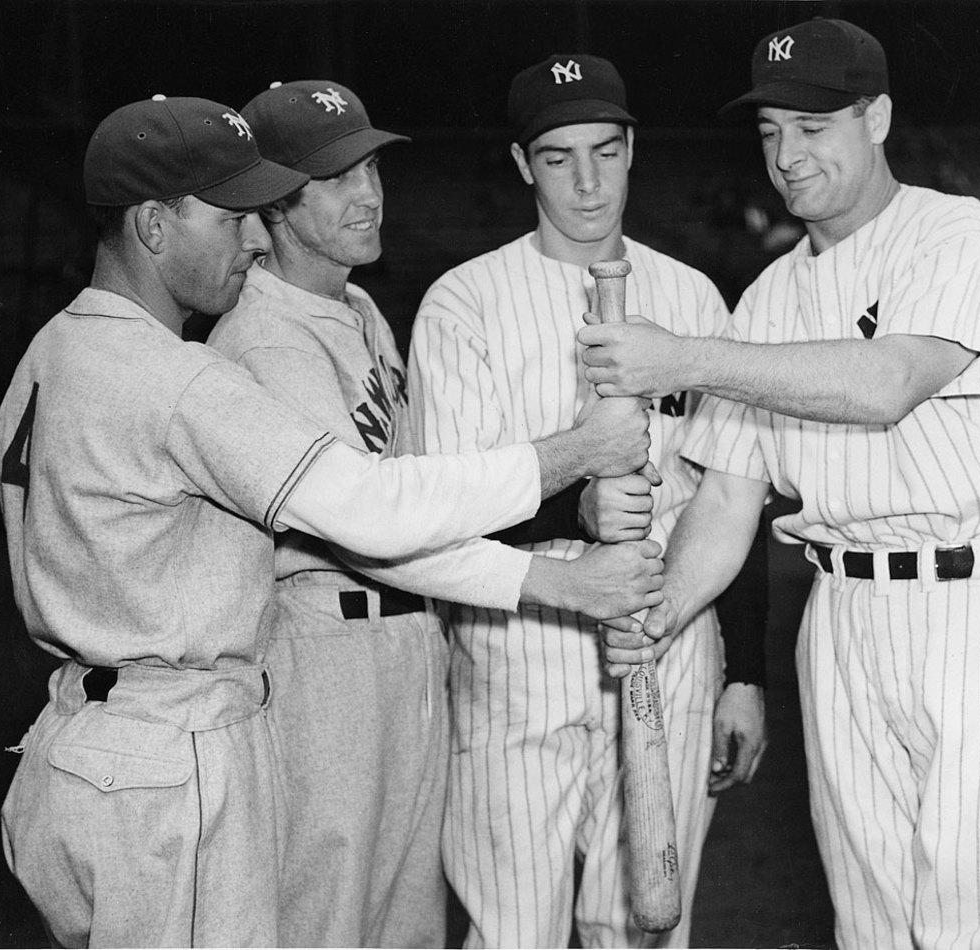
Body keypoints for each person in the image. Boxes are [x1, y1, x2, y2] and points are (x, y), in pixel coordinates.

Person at [0, 94, 660, 949]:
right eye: (232, 218)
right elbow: (366, 510)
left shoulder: (52, 351)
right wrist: (575, 457)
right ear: (154, 226)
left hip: (91, 734)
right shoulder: (181, 378)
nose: (254, 238)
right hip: (171, 741)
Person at [581, 18, 980, 950]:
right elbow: (728, 500)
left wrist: (685, 357)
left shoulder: (964, 238)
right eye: (772, 131)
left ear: (880, 118)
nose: (788, 155)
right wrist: (657, 613)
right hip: (845, 620)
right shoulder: (771, 298)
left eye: (815, 127)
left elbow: (885, 383)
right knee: (870, 929)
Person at [206, 79, 664, 948]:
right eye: (334, 179)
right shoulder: (265, 338)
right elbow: (375, 528)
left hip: (405, 645)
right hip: (323, 653)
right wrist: (565, 574)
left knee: (407, 925)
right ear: (271, 199)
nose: (369, 194)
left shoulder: (355, 307)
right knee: (328, 917)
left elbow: (427, 501)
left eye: (371, 167)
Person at [405, 54, 767, 948]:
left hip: (670, 642)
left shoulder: (692, 299)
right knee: (513, 933)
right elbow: (442, 507)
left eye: (605, 150)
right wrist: (575, 515)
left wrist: (747, 673)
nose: (588, 180)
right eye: (559, 157)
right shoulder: (465, 305)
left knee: (645, 926)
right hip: (517, 651)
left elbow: (735, 492)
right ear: (523, 165)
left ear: (632, 147)